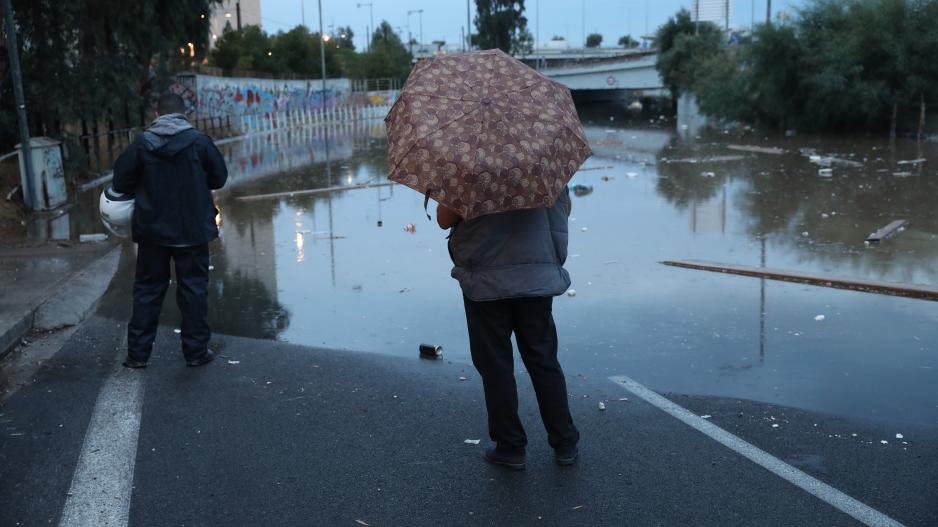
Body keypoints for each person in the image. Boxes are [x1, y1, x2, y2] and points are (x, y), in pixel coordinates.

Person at [438, 188, 580, 470]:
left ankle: (510, 446)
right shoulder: (541, 164)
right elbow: (564, 210)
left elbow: (445, 219)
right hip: (536, 276)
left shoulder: (472, 169)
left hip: (486, 280)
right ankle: (565, 441)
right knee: (543, 359)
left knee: (495, 364)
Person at [113, 92, 228, 369]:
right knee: (194, 290)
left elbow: (120, 182)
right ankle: (196, 352)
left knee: (148, 290)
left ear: (156, 115)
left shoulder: (141, 145)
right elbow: (220, 178)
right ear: (185, 114)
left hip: (153, 232)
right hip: (193, 231)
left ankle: (137, 355)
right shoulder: (200, 143)